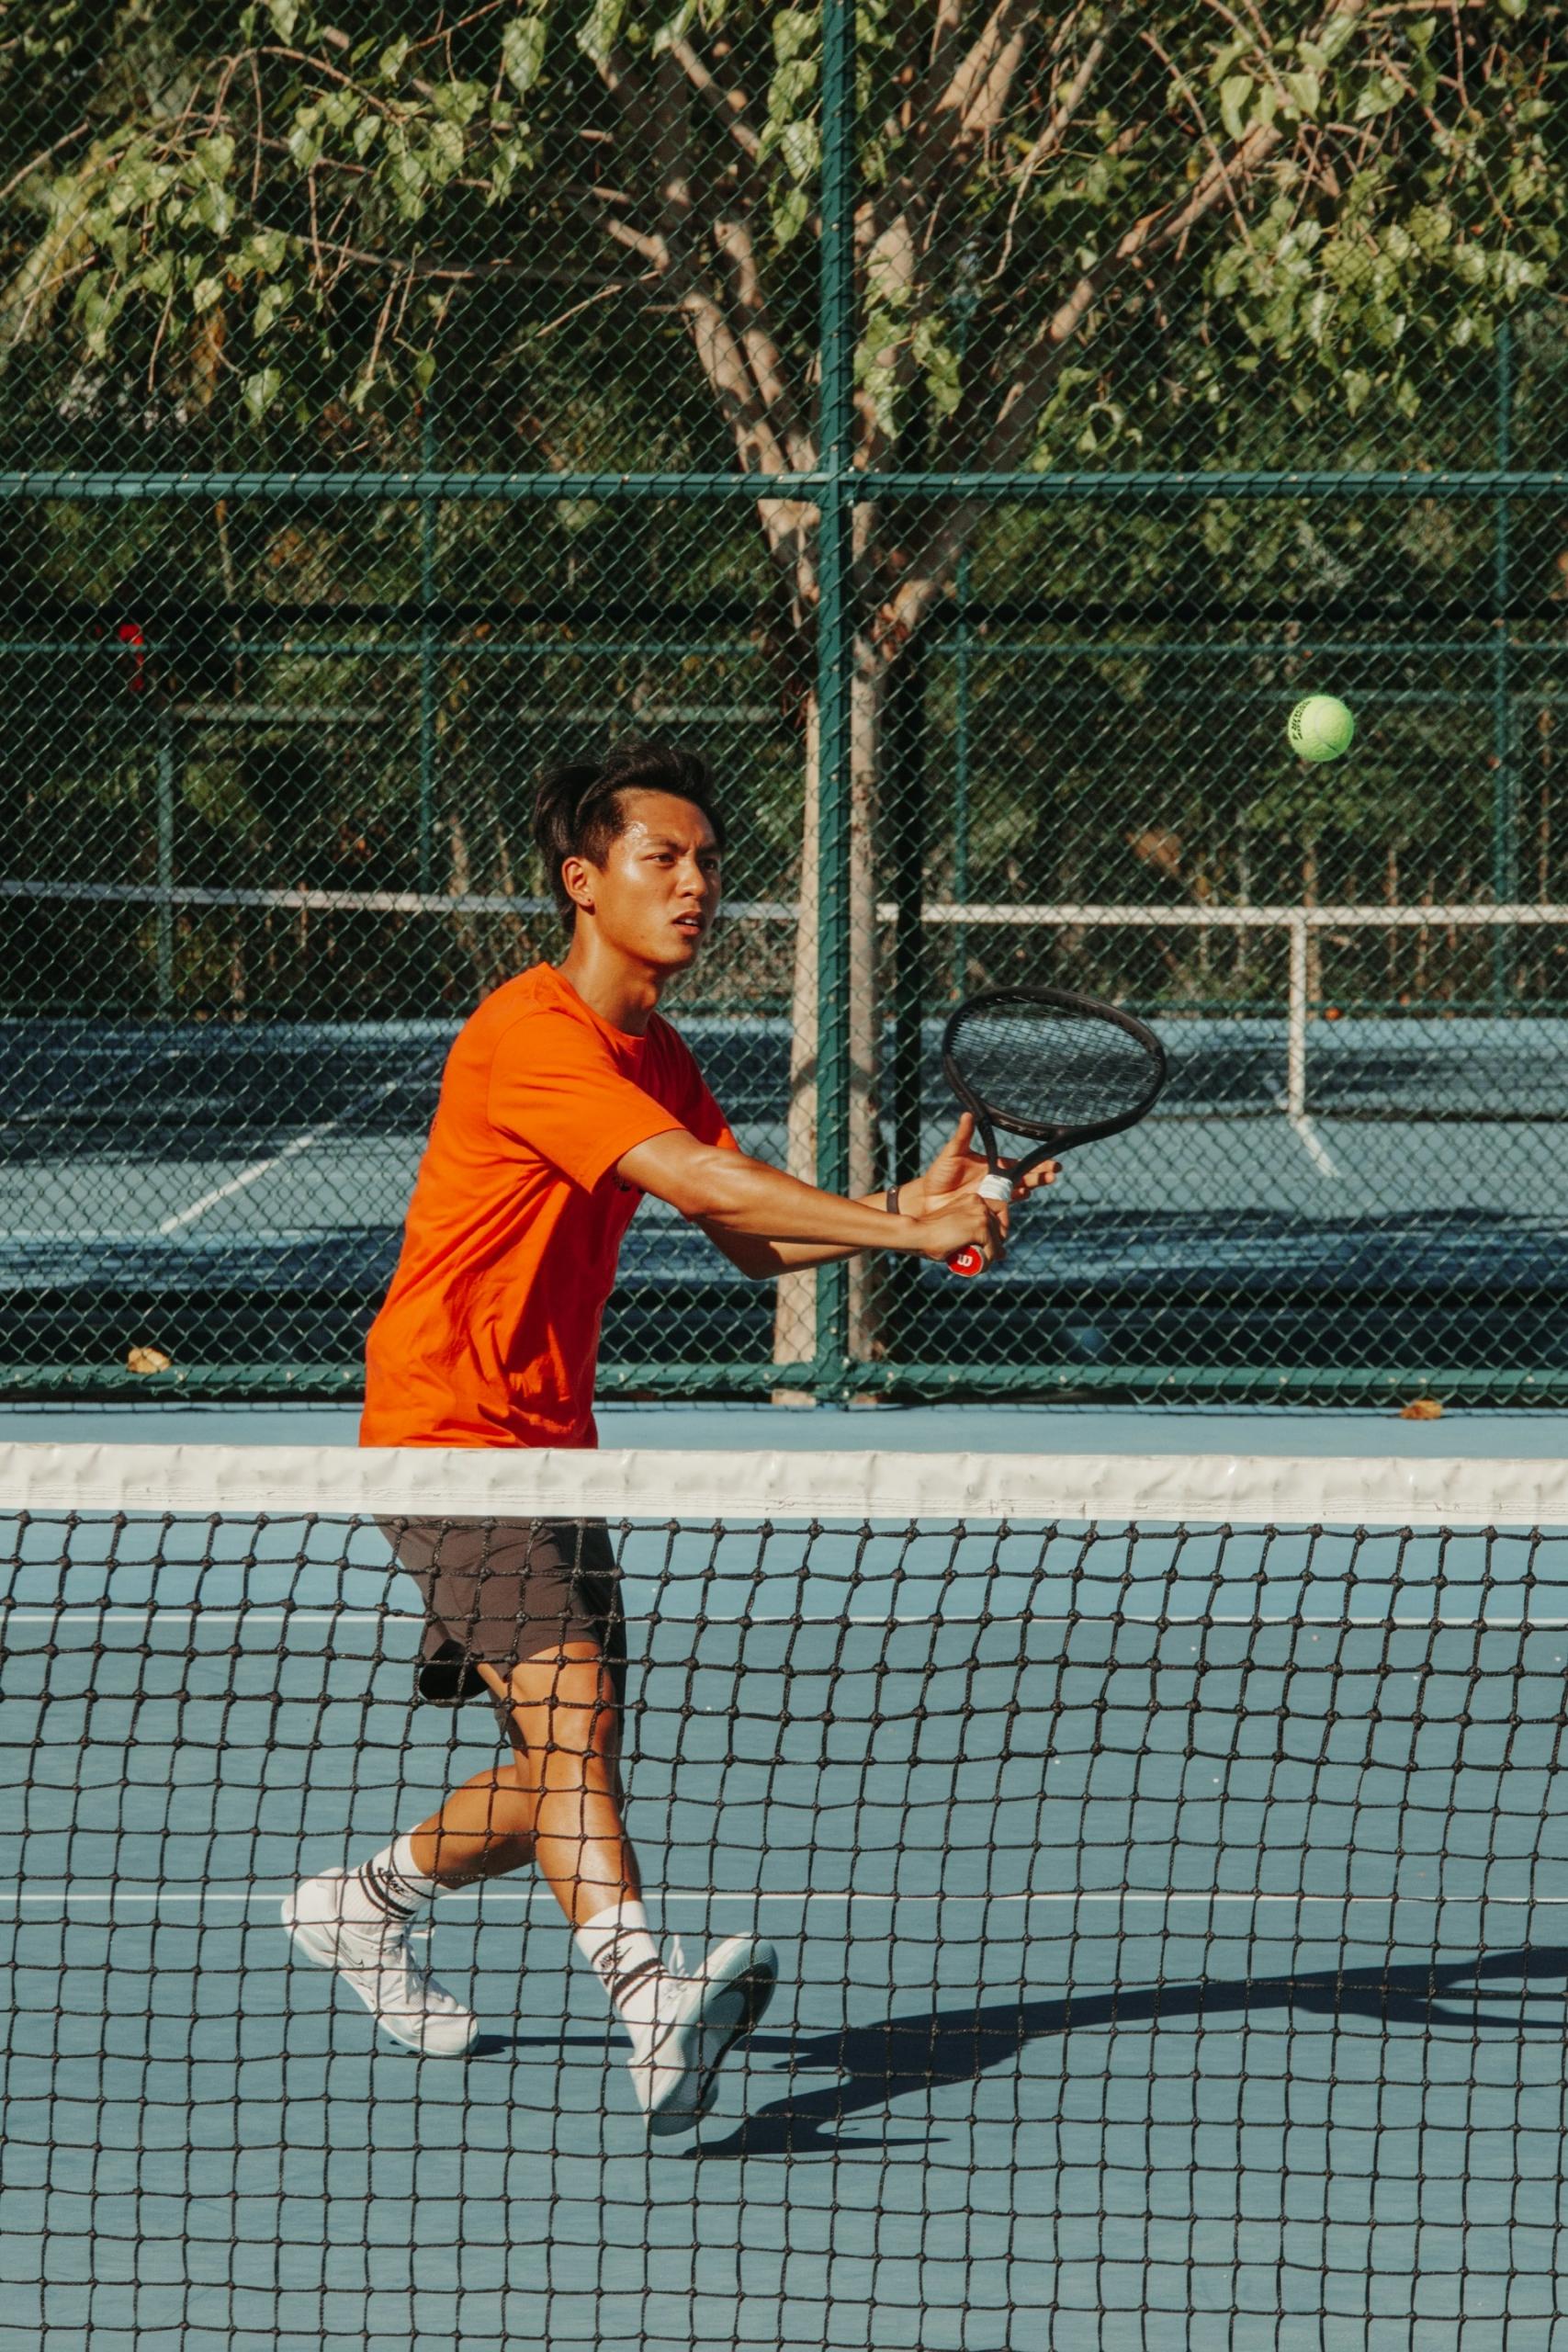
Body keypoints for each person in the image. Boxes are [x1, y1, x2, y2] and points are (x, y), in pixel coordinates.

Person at [282, 737, 1053, 2135]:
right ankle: (649, 2014)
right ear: (584, 884)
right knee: (571, 1709)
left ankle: (357, 1903)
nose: (697, 885)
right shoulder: (532, 1037)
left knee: (566, 1756)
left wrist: (911, 1195)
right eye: (663, 860)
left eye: (707, 861)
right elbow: (693, 1172)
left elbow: (742, 1232)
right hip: (441, 1426)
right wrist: (901, 1225)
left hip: (550, 1434)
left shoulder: (661, 1050)